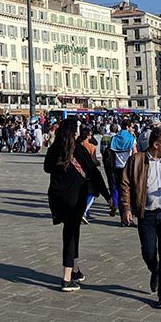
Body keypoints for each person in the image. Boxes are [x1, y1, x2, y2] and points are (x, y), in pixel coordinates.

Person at [119, 128, 161, 309]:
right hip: (146, 214)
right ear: (156, 145)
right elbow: (124, 184)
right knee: (148, 252)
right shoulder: (137, 160)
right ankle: (155, 271)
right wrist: (125, 208)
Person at [44, 119, 110, 292]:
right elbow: (94, 174)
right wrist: (108, 196)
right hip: (75, 198)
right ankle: (66, 279)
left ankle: (75, 269)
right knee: (71, 234)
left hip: (57, 197)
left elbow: (46, 168)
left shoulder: (54, 148)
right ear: (73, 132)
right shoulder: (78, 149)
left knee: (72, 231)